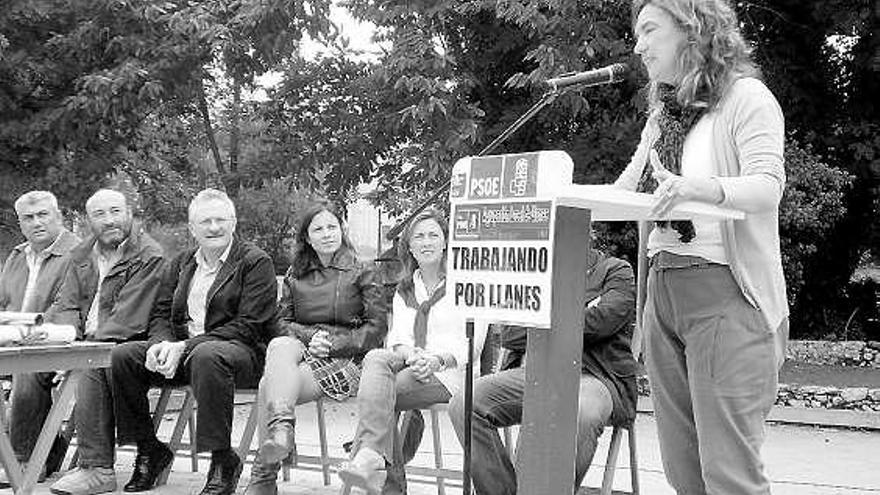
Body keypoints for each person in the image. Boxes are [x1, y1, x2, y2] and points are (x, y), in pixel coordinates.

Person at [613, 1, 788, 493]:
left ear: (692, 29)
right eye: (637, 33)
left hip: (727, 295)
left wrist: (701, 188)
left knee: (728, 474)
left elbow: (766, 186)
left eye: (649, 30)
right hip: (663, 293)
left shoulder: (746, 98)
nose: (638, 44)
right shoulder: (663, 113)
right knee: (683, 471)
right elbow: (627, 190)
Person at [109, 189, 277, 495]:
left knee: (208, 355)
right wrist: (160, 343)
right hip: (184, 354)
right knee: (124, 355)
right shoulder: (182, 263)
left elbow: (249, 326)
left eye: (220, 220)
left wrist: (185, 346)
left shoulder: (255, 261)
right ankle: (149, 449)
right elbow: (160, 314)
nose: (214, 227)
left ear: (234, 222)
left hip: (240, 355)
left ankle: (223, 460)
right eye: (205, 221)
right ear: (192, 228)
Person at [448, 246, 637, 495]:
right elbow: (511, 334)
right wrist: (583, 312)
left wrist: (540, 319)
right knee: (465, 403)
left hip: (596, 375)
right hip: (536, 372)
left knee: (581, 411)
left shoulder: (615, 270)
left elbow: (606, 321)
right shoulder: (535, 270)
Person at [337, 208, 488, 495]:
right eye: (419, 236)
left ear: (446, 242)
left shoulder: (468, 282)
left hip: (454, 373)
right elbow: (397, 338)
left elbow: (474, 342)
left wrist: (435, 360)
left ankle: (374, 464)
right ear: (409, 246)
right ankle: (373, 458)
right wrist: (414, 356)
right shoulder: (406, 287)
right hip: (414, 364)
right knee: (376, 358)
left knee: (381, 396)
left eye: (434, 235)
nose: (426, 242)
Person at [243, 201, 388, 495]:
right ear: (307, 238)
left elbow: (377, 328)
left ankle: (264, 476)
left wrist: (334, 343)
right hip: (303, 352)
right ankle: (281, 431)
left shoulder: (363, 271)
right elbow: (281, 322)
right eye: (318, 229)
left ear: (341, 230)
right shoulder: (295, 274)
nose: (326, 234)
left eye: (332, 227)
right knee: (281, 343)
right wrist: (311, 338)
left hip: (348, 360)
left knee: (266, 385)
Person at [47, 189, 165, 495]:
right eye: (99, 215)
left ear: (129, 214)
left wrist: (82, 349)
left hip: (128, 342)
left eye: (115, 211)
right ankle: (29, 458)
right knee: (29, 369)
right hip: (83, 341)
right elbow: (68, 305)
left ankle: (97, 469)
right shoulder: (82, 255)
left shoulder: (149, 256)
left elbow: (130, 317)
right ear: (89, 221)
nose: (109, 220)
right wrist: (66, 343)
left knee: (93, 365)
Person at [0, 191, 80, 487]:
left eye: (43, 215)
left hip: (57, 340)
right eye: (28, 218)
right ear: (20, 224)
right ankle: (30, 449)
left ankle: (22, 461)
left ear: (58, 215)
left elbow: (64, 308)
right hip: (12, 340)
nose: (36, 222)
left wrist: (23, 334)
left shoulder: (77, 252)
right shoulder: (17, 256)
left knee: (28, 368)